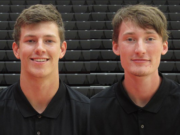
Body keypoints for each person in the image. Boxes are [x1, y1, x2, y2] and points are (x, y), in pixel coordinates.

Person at [90, 4, 180, 135]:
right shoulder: (93, 110)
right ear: (116, 47)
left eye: (150, 39)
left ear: (164, 46)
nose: (140, 50)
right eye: (130, 39)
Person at [0, 4, 89, 135]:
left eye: (49, 41)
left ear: (62, 49)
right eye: (30, 41)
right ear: (16, 50)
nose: (40, 48)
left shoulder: (88, 114)